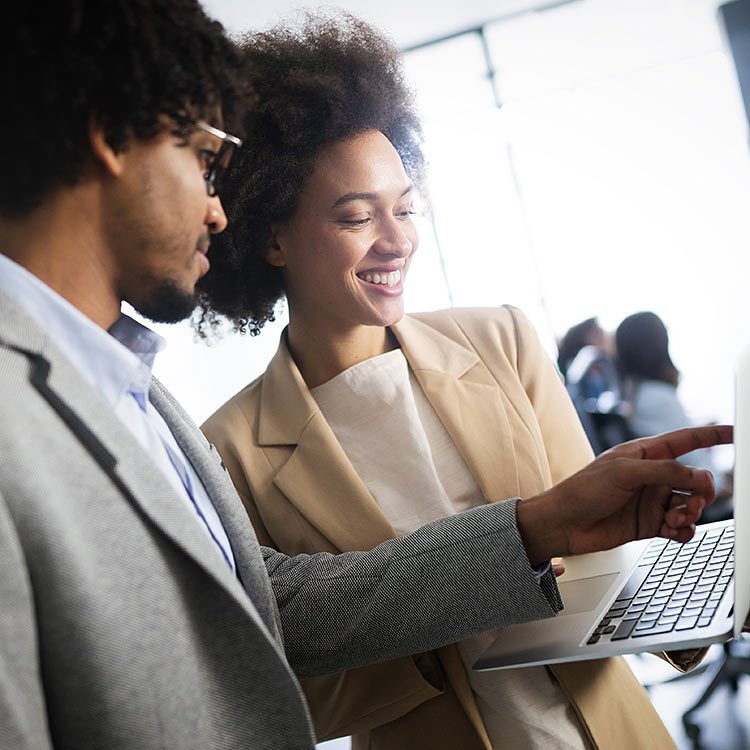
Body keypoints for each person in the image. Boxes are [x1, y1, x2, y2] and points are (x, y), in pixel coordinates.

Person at [0, 3, 731, 749]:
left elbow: (607, 562)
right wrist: (472, 608)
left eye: (406, 208)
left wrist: (692, 596)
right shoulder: (225, 445)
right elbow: (280, 651)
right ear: (274, 236)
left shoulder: (500, 340)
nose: (396, 240)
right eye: (356, 217)